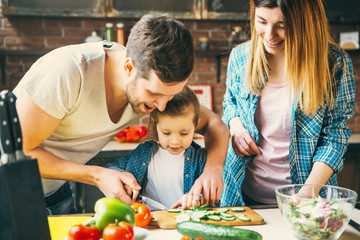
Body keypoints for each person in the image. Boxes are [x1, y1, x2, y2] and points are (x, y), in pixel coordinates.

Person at [13, 14, 229, 215]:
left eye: (171, 95)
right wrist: (96, 175)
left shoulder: (152, 88)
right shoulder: (68, 73)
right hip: (10, 197)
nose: (162, 106)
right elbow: (18, 153)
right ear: (129, 67)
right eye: (154, 93)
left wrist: (213, 169)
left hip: (55, 192)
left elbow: (213, 123)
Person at [221, 0, 356, 206]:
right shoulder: (240, 57)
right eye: (262, 21)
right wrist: (236, 127)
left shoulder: (333, 64)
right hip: (241, 196)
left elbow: (335, 137)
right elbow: (230, 102)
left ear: (306, 22)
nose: (269, 34)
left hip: (308, 199)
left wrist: (307, 193)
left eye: (282, 25)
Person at [106, 86, 209, 210]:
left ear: (196, 125)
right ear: (155, 124)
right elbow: (110, 170)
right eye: (166, 133)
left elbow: (213, 198)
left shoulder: (201, 160)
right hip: (149, 223)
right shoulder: (143, 154)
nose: (175, 142)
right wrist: (124, 177)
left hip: (185, 223)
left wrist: (197, 200)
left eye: (184, 133)